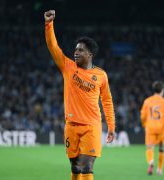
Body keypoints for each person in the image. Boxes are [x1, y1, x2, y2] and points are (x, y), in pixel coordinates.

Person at [44, 10, 115, 180]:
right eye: (76, 49)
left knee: (87, 166)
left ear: (90, 55)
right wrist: (49, 24)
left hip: (91, 126)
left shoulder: (101, 75)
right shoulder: (68, 67)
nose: (76, 52)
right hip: (71, 125)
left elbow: (107, 101)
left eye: (81, 50)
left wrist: (111, 125)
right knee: (75, 167)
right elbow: (53, 47)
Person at [140, 81, 164, 175]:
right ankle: (159, 170)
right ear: (162, 90)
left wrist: (144, 124)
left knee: (150, 147)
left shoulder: (147, 101)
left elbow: (142, 116)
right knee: (162, 148)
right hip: (162, 129)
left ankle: (151, 162)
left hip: (150, 127)